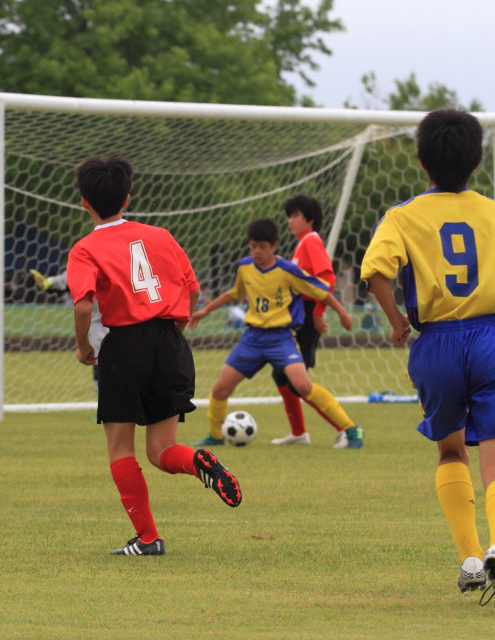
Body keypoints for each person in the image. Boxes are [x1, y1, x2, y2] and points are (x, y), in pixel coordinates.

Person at [360, 108, 495, 615]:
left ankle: (472, 559)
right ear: (477, 162)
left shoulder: (402, 216)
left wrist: (395, 322)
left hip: (436, 343)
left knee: (452, 454)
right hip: (492, 337)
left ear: (421, 160)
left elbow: (375, 273)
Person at [65, 156, 242, 557]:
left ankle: (148, 539)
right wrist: (172, 334)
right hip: (170, 341)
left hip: (124, 345)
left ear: (83, 203)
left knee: (121, 449)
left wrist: (83, 347)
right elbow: (192, 290)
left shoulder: (85, 248)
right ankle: (199, 460)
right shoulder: (161, 235)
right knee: (162, 449)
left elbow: (81, 306)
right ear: (127, 198)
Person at [189, 217, 358, 448]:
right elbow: (234, 293)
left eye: (262, 247)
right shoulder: (245, 267)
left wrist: (343, 313)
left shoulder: (288, 270)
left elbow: (322, 291)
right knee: (220, 389)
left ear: (274, 246)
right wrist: (205, 310)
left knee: (303, 385)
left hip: (281, 338)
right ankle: (216, 436)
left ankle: (351, 429)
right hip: (252, 339)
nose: (257, 251)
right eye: (253, 246)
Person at [269, 194, 364, 449]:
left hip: (308, 318)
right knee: (281, 375)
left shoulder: (311, 241)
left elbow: (326, 278)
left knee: (296, 380)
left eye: (295, 215)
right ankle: (299, 433)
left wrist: (318, 312)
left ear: (309, 219)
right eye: (289, 215)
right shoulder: (302, 244)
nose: (290, 220)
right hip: (299, 317)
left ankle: (349, 429)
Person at [31, 268, 108, 396]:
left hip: (100, 330)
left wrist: (49, 282)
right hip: (130, 327)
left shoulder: (86, 262)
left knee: (102, 373)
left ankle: (104, 410)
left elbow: (69, 279)